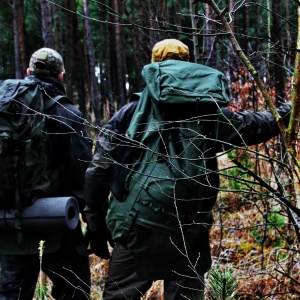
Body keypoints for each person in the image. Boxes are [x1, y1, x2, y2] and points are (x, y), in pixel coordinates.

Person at [83, 39, 292, 299]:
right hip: (188, 225)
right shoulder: (206, 113)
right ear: (187, 64)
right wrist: (288, 110)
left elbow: (97, 171)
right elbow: (254, 125)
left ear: (154, 64)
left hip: (136, 224)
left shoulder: (131, 112)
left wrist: (95, 226)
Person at [0, 48, 92, 300]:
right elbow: (82, 172)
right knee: (73, 291)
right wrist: (90, 218)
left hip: (11, 220)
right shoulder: (67, 113)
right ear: (60, 76)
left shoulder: (6, 109)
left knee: (12, 294)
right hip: (58, 219)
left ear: (28, 73)